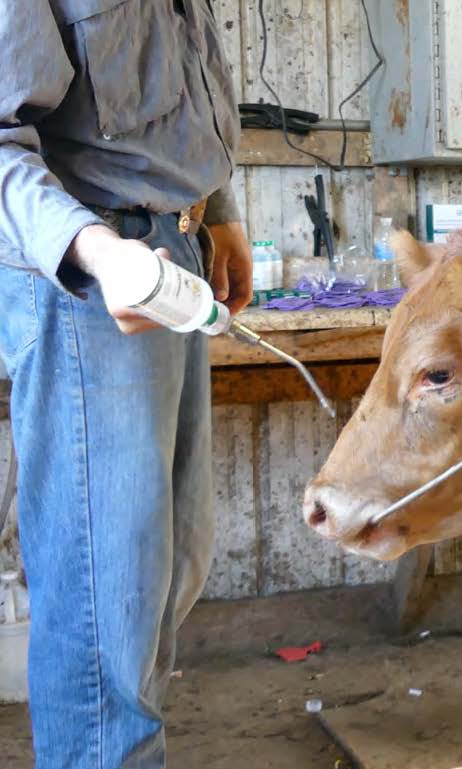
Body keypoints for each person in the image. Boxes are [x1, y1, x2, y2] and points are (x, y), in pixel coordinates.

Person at [0, 2, 250, 767]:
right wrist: (103, 256)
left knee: (165, 575)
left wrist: (219, 211)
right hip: (89, 273)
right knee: (107, 611)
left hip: (171, 252)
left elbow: (170, 89)